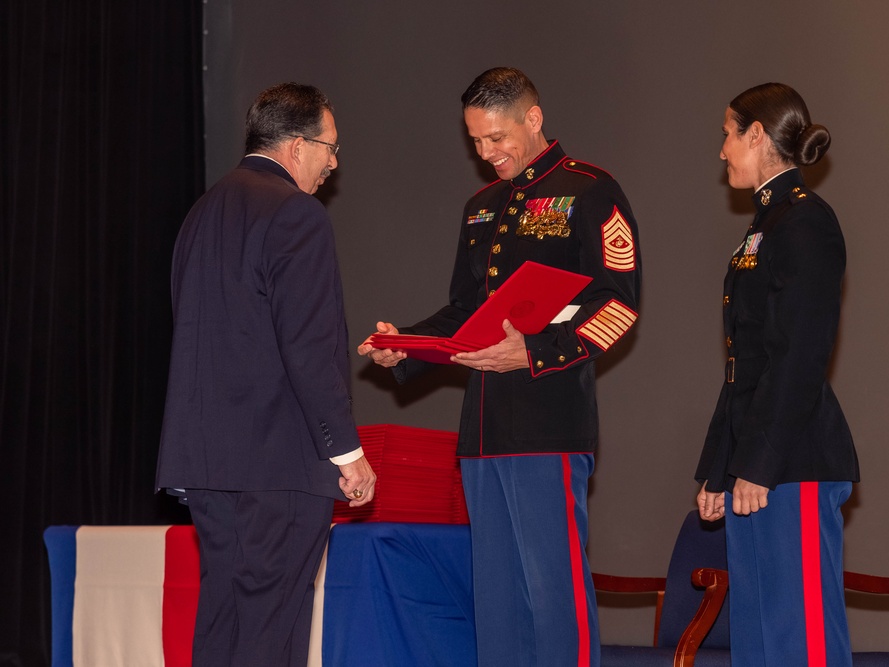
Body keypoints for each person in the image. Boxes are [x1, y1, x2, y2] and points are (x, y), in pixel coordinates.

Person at [358, 67, 640, 666]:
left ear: (532, 120)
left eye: (496, 138)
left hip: (548, 425)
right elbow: (465, 312)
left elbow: (619, 305)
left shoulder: (590, 191)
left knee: (552, 596)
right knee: (498, 606)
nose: (486, 154)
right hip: (482, 431)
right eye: (475, 141)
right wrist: (405, 344)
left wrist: (535, 352)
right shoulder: (481, 206)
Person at [156, 82, 376, 667]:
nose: (334, 162)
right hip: (277, 463)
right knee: (271, 630)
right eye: (330, 147)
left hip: (208, 461)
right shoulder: (296, 215)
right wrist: (346, 452)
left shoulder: (202, 212)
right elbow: (309, 347)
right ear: (297, 146)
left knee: (223, 621)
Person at [695, 82, 860, 666]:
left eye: (727, 133)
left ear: (756, 134)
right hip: (760, 466)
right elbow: (744, 363)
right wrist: (721, 468)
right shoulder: (765, 225)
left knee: (801, 639)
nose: (722, 150)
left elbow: (801, 355)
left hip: (794, 461)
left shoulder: (806, 222)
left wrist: (759, 463)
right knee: (760, 641)